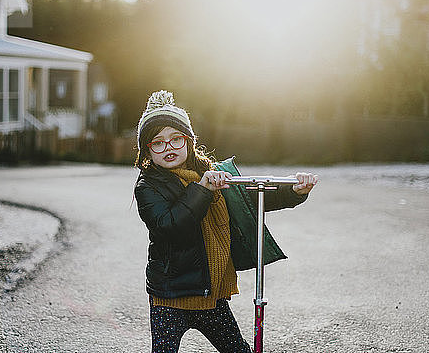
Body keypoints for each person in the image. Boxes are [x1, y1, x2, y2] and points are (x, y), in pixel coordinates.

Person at [134, 90, 317, 353]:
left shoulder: (214, 173)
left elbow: (249, 200)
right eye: (158, 142)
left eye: (176, 139)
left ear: (189, 141)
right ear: (147, 150)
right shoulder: (148, 186)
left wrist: (295, 190)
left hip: (212, 295)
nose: (169, 147)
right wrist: (203, 189)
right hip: (170, 297)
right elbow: (171, 226)